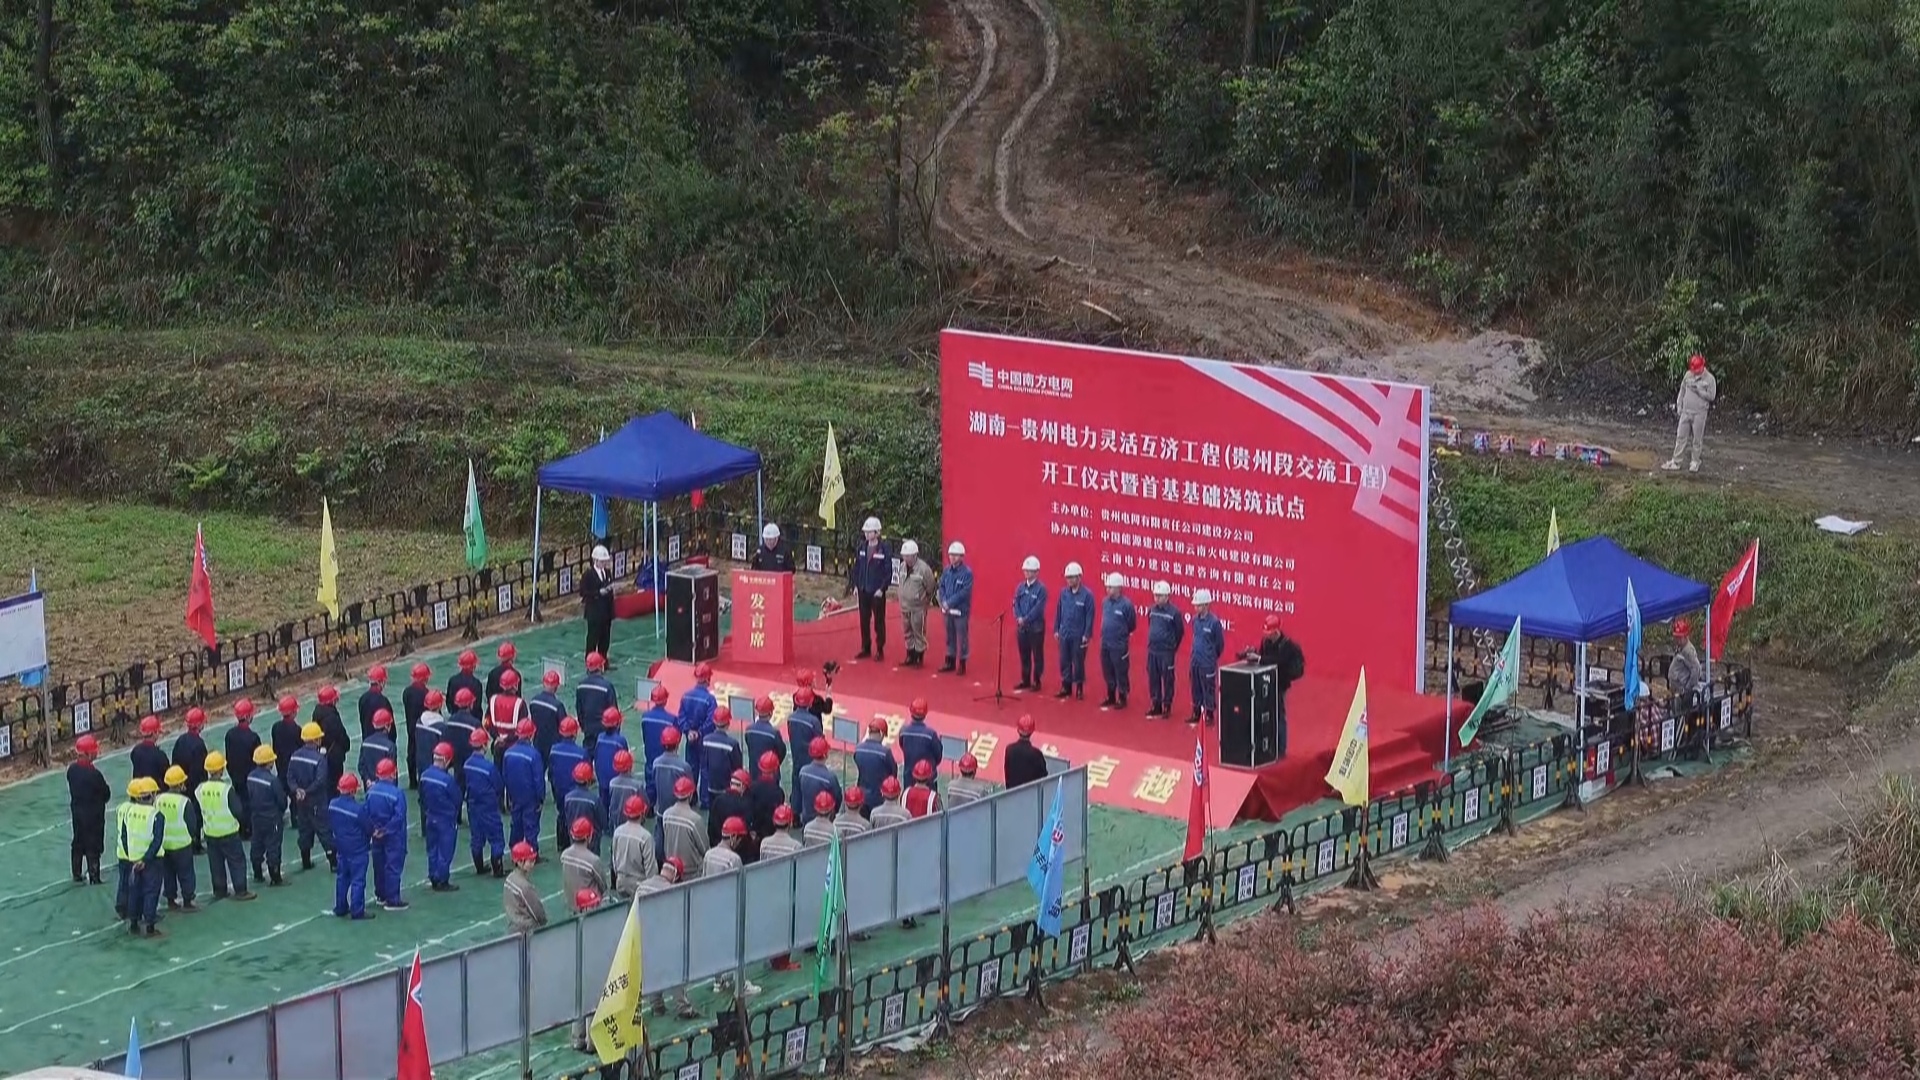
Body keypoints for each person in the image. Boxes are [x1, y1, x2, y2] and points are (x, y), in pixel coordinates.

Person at [633, 859, 696, 1017]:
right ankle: (683, 1007)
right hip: (662, 937)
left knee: (653, 971)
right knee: (675, 971)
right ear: (675, 876)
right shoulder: (669, 890)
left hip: (642, 934)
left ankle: (657, 1006)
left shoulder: (642, 885)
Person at [196, 752, 253, 902]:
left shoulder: (200, 789)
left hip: (210, 832)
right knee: (237, 861)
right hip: (228, 832)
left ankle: (220, 890)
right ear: (221, 769)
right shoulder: (226, 790)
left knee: (216, 863)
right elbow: (238, 811)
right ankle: (241, 890)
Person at [1246, 613, 1305, 749]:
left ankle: (1281, 747)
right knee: (1265, 714)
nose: (1267, 635)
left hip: (1280, 684)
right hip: (1265, 683)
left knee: (1279, 716)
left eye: (1270, 632)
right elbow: (1264, 657)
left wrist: (1259, 659)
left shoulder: (1287, 645)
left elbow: (1278, 661)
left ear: (1276, 631)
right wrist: (1255, 655)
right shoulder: (1265, 641)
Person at [116, 778, 166, 937]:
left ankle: (134, 923)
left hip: (133, 860)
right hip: (151, 861)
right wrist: (145, 860)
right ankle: (150, 926)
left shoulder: (129, 812)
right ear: (152, 795)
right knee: (151, 891)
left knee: (134, 891)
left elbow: (123, 835)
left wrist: (132, 856)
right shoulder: (156, 815)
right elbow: (157, 841)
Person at [288, 723, 336, 870]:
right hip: (316, 801)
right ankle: (334, 862)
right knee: (324, 830)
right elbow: (320, 781)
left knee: (304, 830)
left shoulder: (295, 756)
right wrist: (307, 792)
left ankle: (306, 861)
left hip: (301, 802)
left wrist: (297, 791)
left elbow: (290, 777)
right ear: (316, 740)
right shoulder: (319, 759)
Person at [329, 775, 374, 919]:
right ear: (353, 791)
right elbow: (368, 827)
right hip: (358, 849)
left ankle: (340, 907)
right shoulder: (358, 809)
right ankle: (357, 910)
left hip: (341, 847)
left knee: (342, 878)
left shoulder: (333, 804)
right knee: (358, 880)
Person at [366, 759, 410, 911]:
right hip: (393, 836)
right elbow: (399, 817)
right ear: (393, 773)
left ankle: (381, 895)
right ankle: (392, 899)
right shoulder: (397, 793)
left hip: (377, 835)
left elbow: (367, 812)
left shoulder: (371, 791)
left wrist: (375, 830)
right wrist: (385, 829)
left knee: (379, 864)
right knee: (393, 865)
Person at [847, 516, 893, 660]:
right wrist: (855, 585)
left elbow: (888, 571)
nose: (867, 534)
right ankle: (865, 647)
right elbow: (857, 568)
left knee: (879, 621)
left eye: (869, 532)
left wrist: (882, 588)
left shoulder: (884, 548)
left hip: (877, 591)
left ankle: (880, 648)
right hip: (863, 589)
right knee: (864, 620)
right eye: (865, 532)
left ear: (877, 532)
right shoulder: (862, 547)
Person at [67, 735, 111, 885]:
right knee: (94, 846)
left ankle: (76, 873)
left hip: (77, 813)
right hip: (93, 816)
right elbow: (106, 794)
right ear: (88, 754)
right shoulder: (94, 775)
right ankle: (94, 876)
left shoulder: (72, 771)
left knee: (78, 842)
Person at [156, 766, 200, 911]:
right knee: (186, 873)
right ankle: (188, 900)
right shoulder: (184, 802)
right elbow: (192, 823)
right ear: (180, 784)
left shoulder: (158, 799)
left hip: (164, 844)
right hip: (181, 844)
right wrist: (192, 836)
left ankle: (170, 899)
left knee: (168, 873)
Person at [420, 741, 462, 893]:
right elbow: (457, 798)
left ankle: (433, 876)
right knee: (445, 851)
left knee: (432, 849)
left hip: (431, 816)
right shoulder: (447, 780)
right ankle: (442, 879)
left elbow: (422, 797)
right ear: (447, 760)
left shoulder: (425, 776)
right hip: (446, 820)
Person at [1665, 353, 1718, 473]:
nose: (1695, 372)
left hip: (1699, 413)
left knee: (1697, 439)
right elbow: (1682, 390)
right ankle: (1676, 461)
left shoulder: (1710, 379)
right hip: (1686, 411)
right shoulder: (1688, 375)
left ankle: (1695, 462)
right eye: (1693, 370)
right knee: (1680, 437)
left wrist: (1700, 391)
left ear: (1703, 366)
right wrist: (1679, 405)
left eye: (1697, 370)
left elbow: (1712, 396)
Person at [464, 729, 506, 878]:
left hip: (472, 805)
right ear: (484, 745)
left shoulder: (467, 764)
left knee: (477, 837)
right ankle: (498, 868)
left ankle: (479, 866)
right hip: (488, 806)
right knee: (496, 837)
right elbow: (499, 785)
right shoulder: (488, 767)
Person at [504, 718, 547, 855]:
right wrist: (541, 798)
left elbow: (505, 776)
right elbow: (538, 779)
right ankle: (531, 852)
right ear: (531, 735)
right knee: (530, 826)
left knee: (516, 823)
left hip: (515, 795)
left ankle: (514, 849)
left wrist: (509, 796)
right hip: (530, 797)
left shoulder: (508, 753)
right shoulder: (534, 755)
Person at [247, 745, 287, 887]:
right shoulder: (272, 781)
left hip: (256, 817)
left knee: (257, 844)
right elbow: (282, 801)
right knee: (273, 846)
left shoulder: (250, 777)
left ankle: (257, 873)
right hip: (272, 818)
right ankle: (275, 877)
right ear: (269, 762)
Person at [1054, 563, 1095, 700]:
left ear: (1079, 577)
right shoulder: (1063, 593)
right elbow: (1059, 611)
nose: (1070, 580)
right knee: (1064, 660)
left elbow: (1090, 616)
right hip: (1065, 632)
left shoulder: (1087, 595)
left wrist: (1086, 634)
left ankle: (1079, 687)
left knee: (1078, 662)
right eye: (1068, 578)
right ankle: (1066, 686)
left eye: (1072, 577)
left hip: (1079, 635)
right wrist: (1056, 629)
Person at [1144, 581, 1185, 718]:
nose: (1157, 598)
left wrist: (1173, 646)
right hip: (1152, 650)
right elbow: (1150, 625)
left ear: (1167, 596)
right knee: (1153, 678)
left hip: (1166, 652)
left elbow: (1179, 632)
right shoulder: (1151, 610)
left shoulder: (1174, 613)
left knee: (1168, 678)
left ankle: (1167, 705)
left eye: (1160, 596)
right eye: (1155, 595)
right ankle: (1156, 704)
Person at [547, 716, 589, 850]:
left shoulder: (554, 749)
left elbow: (551, 771)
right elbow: (587, 772)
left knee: (561, 814)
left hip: (559, 789)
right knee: (577, 817)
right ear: (575, 733)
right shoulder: (581, 753)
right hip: (575, 790)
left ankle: (561, 843)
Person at [676, 664, 718, 795]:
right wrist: (699, 733)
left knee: (690, 769)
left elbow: (681, 717)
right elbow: (712, 721)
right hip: (704, 740)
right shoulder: (710, 699)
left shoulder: (686, 696)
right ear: (707, 679)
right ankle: (705, 800)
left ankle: (690, 796)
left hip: (690, 739)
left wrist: (688, 732)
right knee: (705, 770)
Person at [1098, 573, 1138, 709]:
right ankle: (1110, 695)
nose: (1107, 589)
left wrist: (1122, 634)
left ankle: (1122, 695)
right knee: (1107, 669)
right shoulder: (1105, 602)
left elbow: (1132, 623)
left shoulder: (1126, 605)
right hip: (1105, 642)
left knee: (1120, 670)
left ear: (1119, 588)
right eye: (1107, 587)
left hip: (1119, 644)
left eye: (1110, 587)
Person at [649, 727, 693, 847]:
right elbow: (690, 789)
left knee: (659, 843)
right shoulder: (684, 766)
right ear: (678, 743)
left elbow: (653, 785)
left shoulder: (656, 763)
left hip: (661, 810)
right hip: (679, 814)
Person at [1188, 589, 1226, 725]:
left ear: (1206, 605)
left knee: (1208, 688)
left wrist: (1211, 656)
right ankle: (1196, 712)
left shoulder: (1214, 623)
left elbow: (1220, 644)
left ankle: (1209, 714)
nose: (1195, 608)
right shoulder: (1195, 620)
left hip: (1207, 662)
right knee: (1195, 686)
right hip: (1195, 660)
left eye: (1198, 605)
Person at [223, 699, 262, 830]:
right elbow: (258, 760)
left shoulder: (229, 734)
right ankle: (250, 827)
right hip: (249, 777)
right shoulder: (253, 737)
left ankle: (242, 826)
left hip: (236, 775)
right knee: (250, 803)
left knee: (239, 802)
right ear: (247, 716)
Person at [896, 540, 936, 668]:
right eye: (904, 556)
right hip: (904, 605)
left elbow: (930, 586)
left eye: (908, 556)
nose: (906, 558)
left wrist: (924, 601)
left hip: (918, 607)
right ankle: (910, 655)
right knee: (907, 631)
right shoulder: (902, 566)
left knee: (918, 631)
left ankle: (919, 656)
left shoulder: (924, 569)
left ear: (915, 555)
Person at [784, 689, 822, 815]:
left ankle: (794, 813)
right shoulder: (813, 721)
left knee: (796, 782)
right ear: (810, 703)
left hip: (796, 754)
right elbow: (819, 740)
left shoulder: (791, 718)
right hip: (810, 757)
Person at [938, 541, 974, 675]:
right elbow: (941, 586)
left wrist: (949, 603)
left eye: (955, 555)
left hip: (960, 611)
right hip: (947, 610)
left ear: (961, 557)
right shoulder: (947, 571)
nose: (952, 557)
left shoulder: (967, 573)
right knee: (949, 635)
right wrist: (943, 601)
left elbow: (964, 592)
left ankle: (962, 662)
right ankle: (950, 660)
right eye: (951, 555)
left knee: (962, 636)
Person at [610, 796, 657, 897]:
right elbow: (651, 869)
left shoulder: (618, 832)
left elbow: (614, 859)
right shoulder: (645, 836)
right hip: (639, 885)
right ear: (642, 813)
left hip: (621, 882)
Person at [638, 684, 677, 805]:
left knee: (650, 781)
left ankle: (649, 808)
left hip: (650, 752)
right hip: (665, 755)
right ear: (665, 700)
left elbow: (644, 735)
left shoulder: (645, 717)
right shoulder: (671, 719)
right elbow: (676, 739)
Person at [661, 777, 706, 881]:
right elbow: (704, 848)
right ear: (690, 795)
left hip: (671, 870)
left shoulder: (666, 814)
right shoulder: (695, 819)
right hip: (691, 872)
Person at [1013, 556, 1048, 691]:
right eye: (1025, 570)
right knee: (1024, 654)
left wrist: (1025, 618)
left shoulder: (1041, 589)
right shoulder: (1020, 587)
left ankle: (1037, 680)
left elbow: (1038, 609)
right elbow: (1016, 603)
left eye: (1030, 570)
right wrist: (1018, 617)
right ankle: (1025, 679)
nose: (1027, 573)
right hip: (1022, 627)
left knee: (1037, 654)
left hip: (1036, 627)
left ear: (1036, 572)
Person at [698, 707, 743, 810]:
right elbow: (737, 767)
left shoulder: (706, 740)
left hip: (710, 786)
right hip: (727, 788)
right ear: (728, 723)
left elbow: (704, 763)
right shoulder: (732, 744)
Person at [580, 546, 619, 663]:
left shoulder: (607, 572)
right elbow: (583, 592)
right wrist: (598, 593)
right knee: (592, 638)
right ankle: (590, 661)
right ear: (595, 560)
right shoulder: (588, 574)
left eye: (605, 562)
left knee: (605, 639)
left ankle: (603, 661)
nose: (604, 564)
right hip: (594, 613)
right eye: (602, 561)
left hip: (606, 612)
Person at [852, 718, 896, 817]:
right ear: (881, 733)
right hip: (878, 797)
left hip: (861, 795)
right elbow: (893, 773)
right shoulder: (885, 752)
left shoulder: (858, 749)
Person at [503, 841, 549, 934]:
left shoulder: (510, 878)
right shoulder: (524, 886)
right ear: (520, 862)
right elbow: (537, 912)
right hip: (527, 930)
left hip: (513, 926)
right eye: (530, 860)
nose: (533, 863)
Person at [487, 670, 530, 769]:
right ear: (515, 686)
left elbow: (486, 722)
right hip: (513, 747)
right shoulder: (520, 703)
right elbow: (523, 727)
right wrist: (506, 738)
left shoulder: (493, 700)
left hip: (497, 745)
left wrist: (497, 737)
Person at [443, 689, 481, 799]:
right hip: (470, 760)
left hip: (456, 759)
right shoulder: (475, 723)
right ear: (471, 704)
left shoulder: (451, 720)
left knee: (458, 786)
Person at [313, 685, 352, 793]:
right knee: (334, 784)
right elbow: (340, 735)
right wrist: (346, 745)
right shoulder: (331, 717)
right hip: (334, 756)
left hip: (323, 754)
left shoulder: (317, 712)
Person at [171, 707, 210, 811]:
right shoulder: (199, 745)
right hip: (193, 793)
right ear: (198, 724)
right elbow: (200, 773)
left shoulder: (180, 740)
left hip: (180, 787)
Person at [401, 663, 433, 788]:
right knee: (424, 753)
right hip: (424, 727)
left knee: (411, 752)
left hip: (410, 726)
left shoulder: (407, 692)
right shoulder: (426, 693)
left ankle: (412, 780)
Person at [575, 653, 615, 755]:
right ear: (600, 666)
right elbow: (613, 711)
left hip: (588, 729)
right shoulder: (607, 687)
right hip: (604, 730)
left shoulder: (580, 686)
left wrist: (584, 726)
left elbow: (579, 709)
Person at [741, 696, 785, 787]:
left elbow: (748, 744)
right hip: (771, 774)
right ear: (771, 713)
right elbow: (781, 752)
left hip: (754, 772)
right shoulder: (774, 733)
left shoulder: (749, 730)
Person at [898, 699, 942, 789]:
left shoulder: (903, 731)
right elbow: (938, 755)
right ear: (925, 713)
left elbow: (902, 746)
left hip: (909, 777)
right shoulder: (931, 734)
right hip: (929, 778)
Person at [564, 761, 605, 857]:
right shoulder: (594, 800)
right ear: (588, 780)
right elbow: (603, 821)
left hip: (574, 837)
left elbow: (566, 816)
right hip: (591, 839)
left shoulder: (568, 797)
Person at [797, 737, 841, 824]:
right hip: (825, 819)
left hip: (807, 817)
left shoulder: (803, 771)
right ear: (825, 754)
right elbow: (837, 798)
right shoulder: (830, 777)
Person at [746, 752, 786, 848]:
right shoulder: (778, 792)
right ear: (776, 769)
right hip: (771, 835)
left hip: (754, 834)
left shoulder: (752, 788)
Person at [561, 818, 608, 899]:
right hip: (590, 902)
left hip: (572, 901)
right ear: (588, 837)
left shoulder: (565, 855)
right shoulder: (593, 860)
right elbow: (603, 885)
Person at [594, 707, 631, 808]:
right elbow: (625, 761)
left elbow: (597, 758)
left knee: (604, 806)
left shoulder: (600, 738)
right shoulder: (620, 741)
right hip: (616, 781)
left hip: (602, 779)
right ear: (617, 724)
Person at [708, 769, 754, 849]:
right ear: (743, 786)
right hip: (739, 849)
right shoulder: (746, 805)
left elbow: (711, 827)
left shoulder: (718, 800)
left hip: (718, 845)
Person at [529, 669, 567, 760]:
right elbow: (564, 726)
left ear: (543, 683)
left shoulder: (534, 701)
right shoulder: (558, 706)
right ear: (557, 686)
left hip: (537, 742)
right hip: (553, 745)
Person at [270, 696, 303, 797]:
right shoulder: (297, 730)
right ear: (293, 712)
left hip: (281, 768)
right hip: (294, 771)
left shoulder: (276, 727)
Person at [608, 749, 647, 832]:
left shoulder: (612, 783)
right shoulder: (637, 785)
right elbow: (646, 803)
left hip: (617, 820)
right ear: (630, 765)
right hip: (634, 820)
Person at [1004, 715, 1048, 788]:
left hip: (1012, 793)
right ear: (1032, 732)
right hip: (1031, 793)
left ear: (1018, 730)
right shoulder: (1036, 754)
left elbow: (1007, 774)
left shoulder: (1009, 749)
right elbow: (1043, 776)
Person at [358, 709, 398, 789]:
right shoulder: (390, 746)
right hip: (385, 787)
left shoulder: (366, 742)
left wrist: (367, 779)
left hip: (369, 786)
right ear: (387, 726)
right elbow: (391, 770)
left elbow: (361, 765)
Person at [1668, 618, 1706, 700]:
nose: (1677, 640)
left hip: (1682, 690)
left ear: (1686, 636)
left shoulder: (1688, 651)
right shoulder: (1680, 648)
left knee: (1681, 710)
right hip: (1676, 688)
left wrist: (1687, 688)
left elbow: (1696, 669)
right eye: (1676, 637)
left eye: (1679, 638)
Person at [131, 715, 168, 786]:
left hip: (139, 790)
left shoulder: (135, 751)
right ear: (155, 732)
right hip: (155, 792)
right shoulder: (160, 755)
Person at [448, 651, 485, 723]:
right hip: (472, 720)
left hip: (455, 719)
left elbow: (449, 703)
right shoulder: (476, 683)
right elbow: (477, 707)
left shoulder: (452, 681)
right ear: (473, 666)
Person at [359, 665, 394, 739]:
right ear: (381, 682)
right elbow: (391, 728)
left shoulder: (362, 699)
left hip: (367, 741)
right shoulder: (383, 701)